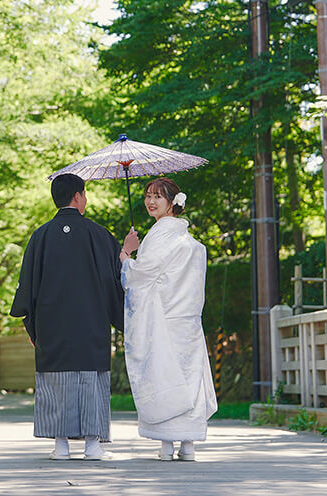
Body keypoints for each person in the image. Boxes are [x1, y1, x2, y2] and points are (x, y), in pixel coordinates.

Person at [10, 172, 125, 461]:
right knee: (90, 380)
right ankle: (92, 445)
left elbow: (28, 286)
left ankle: (60, 445)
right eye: (84, 194)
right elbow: (117, 281)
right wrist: (127, 250)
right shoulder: (100, 235)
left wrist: (32, 328)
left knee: (56, 382)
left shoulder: (41, 236)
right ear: (78, 196)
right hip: (92, 325)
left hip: (52, 326)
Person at [119, 177, 217, 461]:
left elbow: (139, 277)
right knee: (189, 376)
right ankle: (188, 443)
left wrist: (127, 253)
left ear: (172, 202)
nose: (150, 201)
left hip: (163, 320)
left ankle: (166, 443)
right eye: (148, 195)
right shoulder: (191, 243)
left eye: (158, 197)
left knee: (163, 373)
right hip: (188, 322)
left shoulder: (160, 237)